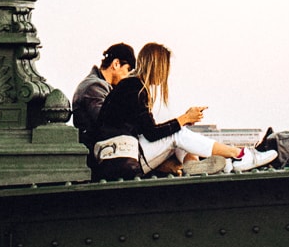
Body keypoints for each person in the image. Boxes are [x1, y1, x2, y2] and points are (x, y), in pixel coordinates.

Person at [92, 41, 278, 180]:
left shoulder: (129, 86)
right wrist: (183, 119)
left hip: (118, 157)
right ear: (158, 66)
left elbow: (145, 130)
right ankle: (239, 154)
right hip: (122, 161)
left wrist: (181, 121)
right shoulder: (135, 87)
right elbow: (151, 133)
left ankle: (193, 165)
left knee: (176, 132)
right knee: (177, 134)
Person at [72, 43, 136, 147]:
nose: (127, 76)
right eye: (128, 70)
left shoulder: (97, 85)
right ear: (116, 64)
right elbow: (109, 123)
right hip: (100, 151)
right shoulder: (95, 87)